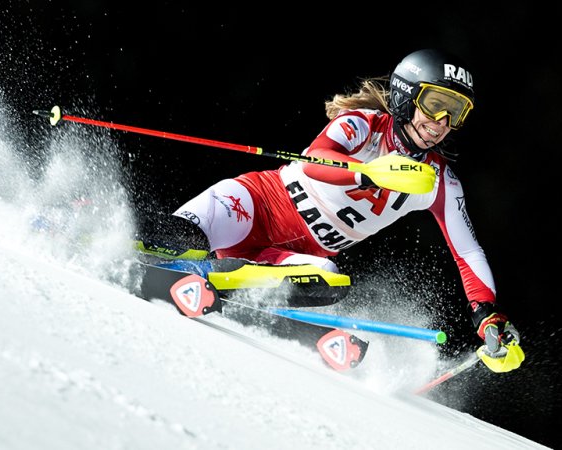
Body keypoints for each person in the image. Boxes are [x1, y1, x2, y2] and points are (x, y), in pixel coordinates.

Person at [138, 48, 524, 373]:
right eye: (435, 105)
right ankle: (151, 254)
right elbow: (314, 159)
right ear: (407, 96)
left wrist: (487, 316)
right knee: (184, 235)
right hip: (254, 205)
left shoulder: (440, 182)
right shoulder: (363, 125)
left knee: (328, 278)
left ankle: (223, 285)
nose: (442, 123)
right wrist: (369, 173)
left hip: (286, 257)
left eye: (456, 112)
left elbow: (467, 251)